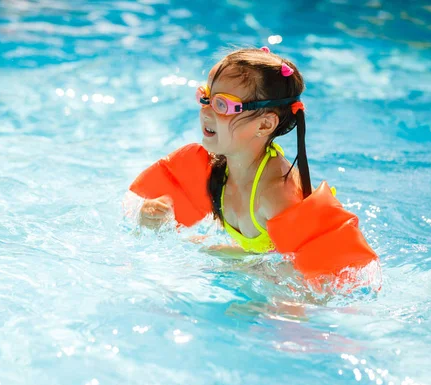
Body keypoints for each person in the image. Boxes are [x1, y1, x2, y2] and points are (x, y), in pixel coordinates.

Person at [128, 46, 379, 285]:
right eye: (205, 97)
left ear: (264, 125)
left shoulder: (276, 194)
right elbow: (149, 235)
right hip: (254, 263)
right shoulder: (211, 168)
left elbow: (310, 283)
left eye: (223, 105)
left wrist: (239, 267)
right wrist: (150, 218)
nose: (206, 111)